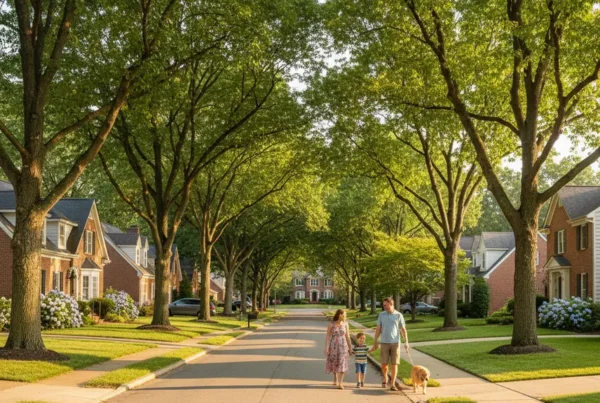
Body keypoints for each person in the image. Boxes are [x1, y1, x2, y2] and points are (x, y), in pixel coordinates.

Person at [371, 297, 409, 391]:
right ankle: (385, 377)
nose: (384, 307)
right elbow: (378, 328)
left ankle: (392, 384)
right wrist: (375, 341)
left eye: (385, 305)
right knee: (384, 364)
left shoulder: (398, 315)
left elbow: (403, 329)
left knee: (394, 364)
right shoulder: (382, 315)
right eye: (383, 305)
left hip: (395, 343)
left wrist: (406, 341)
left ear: (391, 304)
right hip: (384, 342)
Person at [325, 309, 353, 389]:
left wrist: (350, 347)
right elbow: (328, 336)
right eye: (344, 315)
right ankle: (335, 377)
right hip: (333, 345)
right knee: (334, 361)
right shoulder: (331, 324)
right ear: (339, 315)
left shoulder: (346, 324)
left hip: (343, 346)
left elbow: (348, 336)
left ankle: (340, 382)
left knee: (342, 362)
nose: (345, 317)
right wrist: (326, 348)